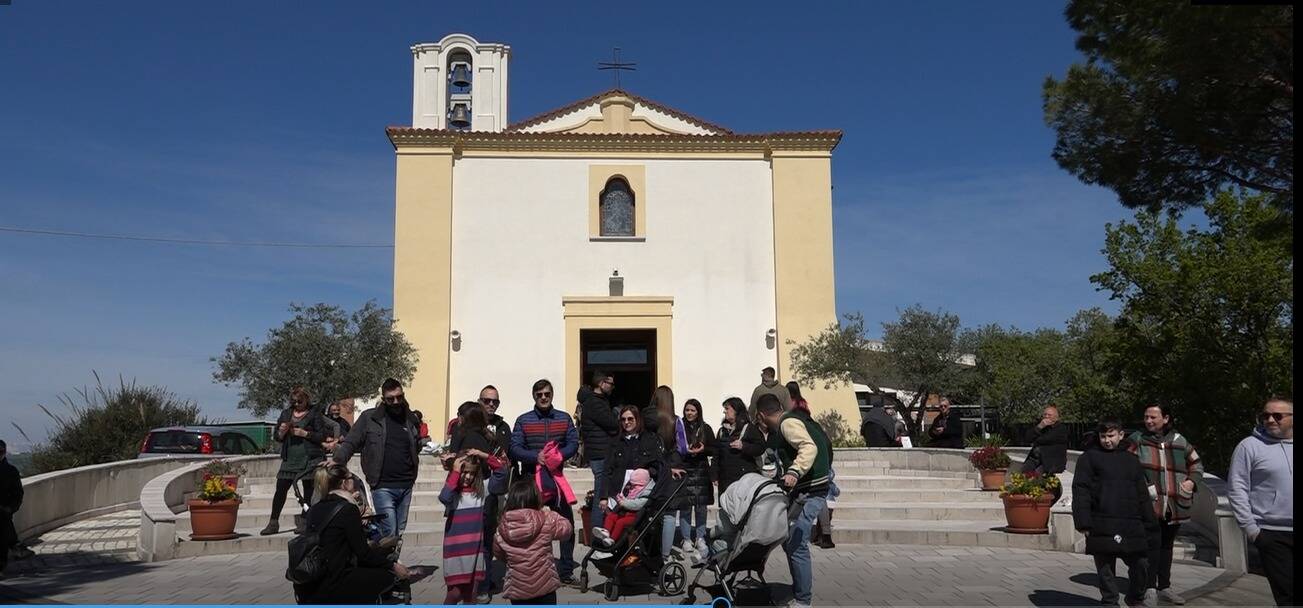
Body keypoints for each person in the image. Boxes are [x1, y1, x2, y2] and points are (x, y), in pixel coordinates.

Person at [291, 463, 409, 604]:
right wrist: (393, 566)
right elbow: (363, 554)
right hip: (335, 581)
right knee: (389, 578)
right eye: (351, 477)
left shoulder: (314, 509)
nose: (354, 479)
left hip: (313, 582)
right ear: (344, 483)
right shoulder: (347, 509)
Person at [756, 393, 832, 608]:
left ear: (761, 415)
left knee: (797, 542)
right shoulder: (791, 420)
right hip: (808, 489)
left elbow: (809, 447)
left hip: (812, 490)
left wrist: (795, 471)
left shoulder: (787, 424)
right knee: (790, 541)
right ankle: (799, 589)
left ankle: (803, 600)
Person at [1125, 404, 1203, 606]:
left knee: (1167, 546)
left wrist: (1191, 481)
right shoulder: (1137, 440)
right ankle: (1149, 587)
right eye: (1146, 417)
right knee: (1151, 545)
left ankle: (1165, 586)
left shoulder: (1179, 441)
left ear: (1166, 419)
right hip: (1149, 505)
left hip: (1175, 505)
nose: (1148, 421)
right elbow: (1125, 466)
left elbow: (1197, 464)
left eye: (1153, 417)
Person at [1073, 420, 1156, 607]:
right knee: (1105, 568)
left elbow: (1142, 493)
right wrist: (1083, 522)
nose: (1107, 440)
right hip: (1101, 520)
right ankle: (1110, 602)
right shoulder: (1088, 458)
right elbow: (1081, 490)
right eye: (1103, 436)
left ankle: (1135, 598)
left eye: (1111, 436)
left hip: (1131, 522)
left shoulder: (1131, 461)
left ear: (1121, 435)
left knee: (1141, 564)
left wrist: (1150, 522)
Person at [332, 378, 422, 544]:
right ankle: (387, 567)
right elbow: (351, 442)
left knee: (399, 532)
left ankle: (390, 566)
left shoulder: (411, 419)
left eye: (399, 397)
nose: (396, 402)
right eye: (390, 399)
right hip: (382, 485)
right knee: (389, 532)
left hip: (406, 484)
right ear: (383, 399)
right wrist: (337, 461)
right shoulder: (370, 418)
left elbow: (416, 446)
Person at [508, 379, 579, 585]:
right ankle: (531, 569)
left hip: (556, 481)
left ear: (552, 394)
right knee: (530, 527)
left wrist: (560, 455)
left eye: (547, 394)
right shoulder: (523, 420)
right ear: (534, 396)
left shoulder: (564, 418)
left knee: (567, 524)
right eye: (539, 395)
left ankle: (566, 570)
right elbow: (515, 447)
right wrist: (534, 456)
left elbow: (573, 443)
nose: (543, 398)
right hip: (531, 482)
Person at [1227, 397, 1293, 607]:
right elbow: (1237, 488)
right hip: (1271, 533)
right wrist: (1252, 530)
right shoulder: (1249, 447)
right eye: (1265, 416)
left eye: (1277, 416)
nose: (1270, 420)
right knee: (1287, 595)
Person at [262, 387, 332, 536]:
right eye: (293, 401)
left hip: (310, 457)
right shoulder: (286, 414)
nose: (297, 404)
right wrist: (281, 431)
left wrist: (305, 433)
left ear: (306, 399)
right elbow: (277, 437)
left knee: (308, 490)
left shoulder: (315, 414)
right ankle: (273, 522)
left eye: (300, 401)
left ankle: (305, 520)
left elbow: (322, 436)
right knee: (281, 489)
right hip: (290, 457)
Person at [493, 479, 573, 605]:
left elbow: (499, 554)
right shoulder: (546, 520)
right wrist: (552, 514)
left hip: (518, 588)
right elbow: (567, 529)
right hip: (545, 586)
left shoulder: (502, 528)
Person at [646, 385, 693, 563]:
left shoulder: (646, 418)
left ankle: (650, 550)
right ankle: (665, 556)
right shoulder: (676, 421)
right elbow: (682, 448)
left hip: (652, 469)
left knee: (650, 512)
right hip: (672, 469)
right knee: (670, 514)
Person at [476, 385, 514, 600]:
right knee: (478, 538)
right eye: (487, 400)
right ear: (479, 401)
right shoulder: (469, 423)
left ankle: (485, 583)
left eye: (495, 401)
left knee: (490, 537)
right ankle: (478, 583)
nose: (491, 404)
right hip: (472, 488)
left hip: (496, 490)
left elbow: (505, 456)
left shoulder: (503, 427)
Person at [440, 453, 491, 604]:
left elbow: (501, 473)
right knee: (454, 594)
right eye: (464, 472)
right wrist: (455, 471)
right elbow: (444, 497)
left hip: (474, 552)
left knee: (471, 595)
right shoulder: (454, 495)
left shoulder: (480, 493)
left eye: (472, 473)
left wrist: (484, 455)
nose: (468, 477)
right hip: (455, 552)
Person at [677, 399, 715, 558]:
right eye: (687, 410)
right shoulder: (679, 427)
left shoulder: (705, 428)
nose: (689, 413)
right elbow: (676, 447)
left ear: (698, 411)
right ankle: (686, 539)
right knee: (685, 506)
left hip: (701, 470)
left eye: (692, 410)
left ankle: (700, 537)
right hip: (685, 469)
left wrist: (703, 449)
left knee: (701, 507)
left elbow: (714, 448)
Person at [579, 371, 619, 518]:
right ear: (602, 383)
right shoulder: (595, 402)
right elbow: (611, 423)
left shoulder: (599, 401)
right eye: (611, 384)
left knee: (603, 494)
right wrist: (616, 418)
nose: (612, 387)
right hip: (600, 453)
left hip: (600, 452)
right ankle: (596, 534)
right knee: (601, 496)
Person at [591, 468, 655, 548]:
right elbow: (628, 498)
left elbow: (638, 504)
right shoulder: (633, 489)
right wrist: (621, 499)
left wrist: (624, 503)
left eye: (635, 485)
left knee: (620, 523)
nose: (632, 487)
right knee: (611, 516)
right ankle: (605, 532)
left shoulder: (646, 492)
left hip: (634, 516)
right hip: (625, 512)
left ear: (642, 483)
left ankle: (612, 539)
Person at [713, 397, 764, 495]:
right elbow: (716, 455)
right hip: (725, 480)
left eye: (727, 408)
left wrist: (744, 446)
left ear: (736, 410)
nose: (724, 412)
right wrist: (714, 475)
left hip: (744, 478)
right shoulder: (722, 431)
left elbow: (760, 448)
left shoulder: (749, 428)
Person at [0, 439, 28, 573]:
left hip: (3, 513)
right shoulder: (10, 470)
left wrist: (10, 508)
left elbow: (18, 493)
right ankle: (16, 546)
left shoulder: (11, 471)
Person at [1022, 405, 1069, 475]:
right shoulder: (1041, 426)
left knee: (1036, 475)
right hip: (1035, 459)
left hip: (1051, 462)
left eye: (1049, 415)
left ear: (1056, 418)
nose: (1046, 417)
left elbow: (1046, 439)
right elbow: (1027, 438)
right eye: (1045, 414)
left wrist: (1035, 440)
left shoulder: (1061, 429)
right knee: (1022, 473)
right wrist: (1039, 427)